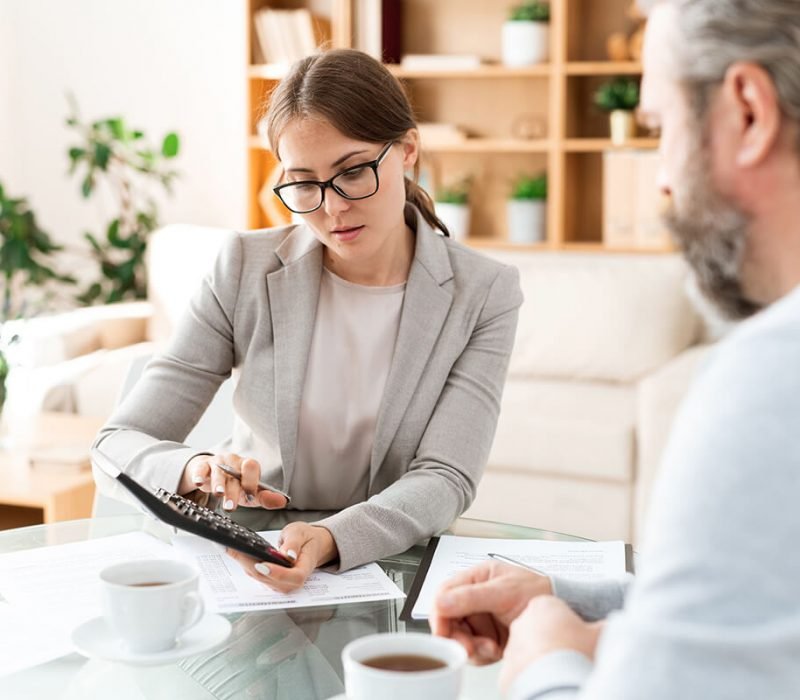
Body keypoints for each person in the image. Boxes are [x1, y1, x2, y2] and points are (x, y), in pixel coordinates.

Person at [431, 1, 800, 698]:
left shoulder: (770, 384)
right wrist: (569, 603)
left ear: (747, 112)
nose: (660, 178)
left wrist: (545, 656)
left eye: (659, 128)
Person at [91, 48, 523, 593]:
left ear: (408, 149)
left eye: (354, 172)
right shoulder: (243, 269)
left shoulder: (484, 292)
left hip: (388, 566)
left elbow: (446, 477)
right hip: (252, 565)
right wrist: (193, 468)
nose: (332, 208)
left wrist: (331, 537)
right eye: (303, 183)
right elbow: (116, 443)